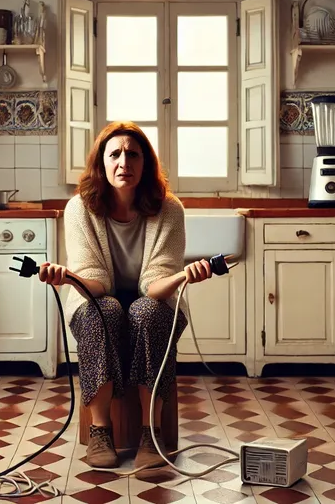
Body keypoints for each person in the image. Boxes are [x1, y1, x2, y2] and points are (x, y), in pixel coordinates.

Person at [37, 121, 214, 470]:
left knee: (146, 312)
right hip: (94, 300)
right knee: (106, 311)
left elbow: (153, 285)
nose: (124, 162)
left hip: (156, 303)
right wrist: (68, 277)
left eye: (133, 154)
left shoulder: (169, 209)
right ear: (101, 163)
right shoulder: (79, 209)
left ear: (145, 163)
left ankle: (152, 432)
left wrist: (182, 276)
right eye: (114, 154)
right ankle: (101, 431)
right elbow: (96, 281)